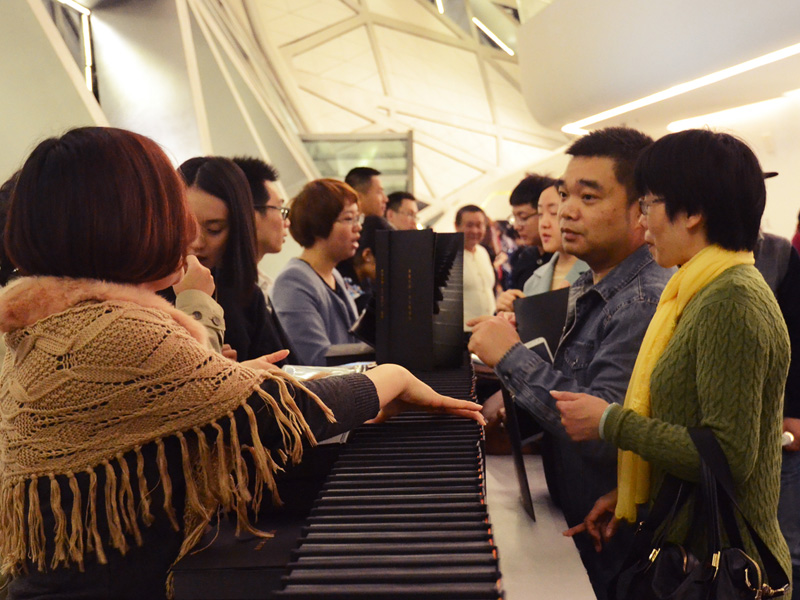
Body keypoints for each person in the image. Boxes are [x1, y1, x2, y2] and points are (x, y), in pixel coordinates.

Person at [0, 126, 484, 599]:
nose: (190, 234)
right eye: (170, 209)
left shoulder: (45, 325)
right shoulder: (116, 331)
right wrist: (390, 378)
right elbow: (282, 411)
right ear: (123, 224)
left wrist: (230, 379)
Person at [556, 129, 792, 592]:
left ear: (693, 212)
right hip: (695, 552)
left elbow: (727, 456)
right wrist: (634, 495)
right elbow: (695, 425)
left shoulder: (731, 300)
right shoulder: (700, 290)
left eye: (648, 204)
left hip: (722, 567)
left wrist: (610, 422)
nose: (642, 222)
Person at [468, 126, 671, 598]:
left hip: (618, 543)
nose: (567, 211)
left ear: (640, 210)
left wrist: (510, 357)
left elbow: (603, 432)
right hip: (585, 521)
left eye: (589, 197)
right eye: (565, 194)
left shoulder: (640, 301)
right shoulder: (594, 284)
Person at [178, 157, 297, 365]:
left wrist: (238, 373)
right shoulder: (148, 291)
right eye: (187, 226)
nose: (197, 243)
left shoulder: (245, 293)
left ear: (238, 228)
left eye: (214, 229)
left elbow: (284, 370)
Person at [753, 230, 800, 598]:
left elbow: (796, 333)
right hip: (736, 431)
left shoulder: (776, 252)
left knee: (786, 548)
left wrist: (795, 411)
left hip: (780, 427)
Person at [272, 179, 363, 366]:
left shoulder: (334, 275)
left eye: (358, 218)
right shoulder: (293, 281)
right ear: (319, 224)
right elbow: (314, 357)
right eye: (349, 219)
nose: (358, 227)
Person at [495, 184, 589, 312]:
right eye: (540, 214)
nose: (544, 223)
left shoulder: (598, 272)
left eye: (553, 213)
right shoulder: (533, 280)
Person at [230, 156, 286, 297]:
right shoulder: (227, 288)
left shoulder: (264, 285)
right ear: (251, 214)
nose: (287, 222)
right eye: (280, 209)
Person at [506, 174, 555, 291]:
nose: (516, 226)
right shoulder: (523, 258)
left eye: (523, 217)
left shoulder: (567, 260)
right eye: (514, 218)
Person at [455, 205, 496, 329]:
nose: (474, 231)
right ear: (457, 226)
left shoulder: (483, 252)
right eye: (469, 225)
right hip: (464, 330)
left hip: (490, 327)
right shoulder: (450, 256)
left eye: (479, 225)